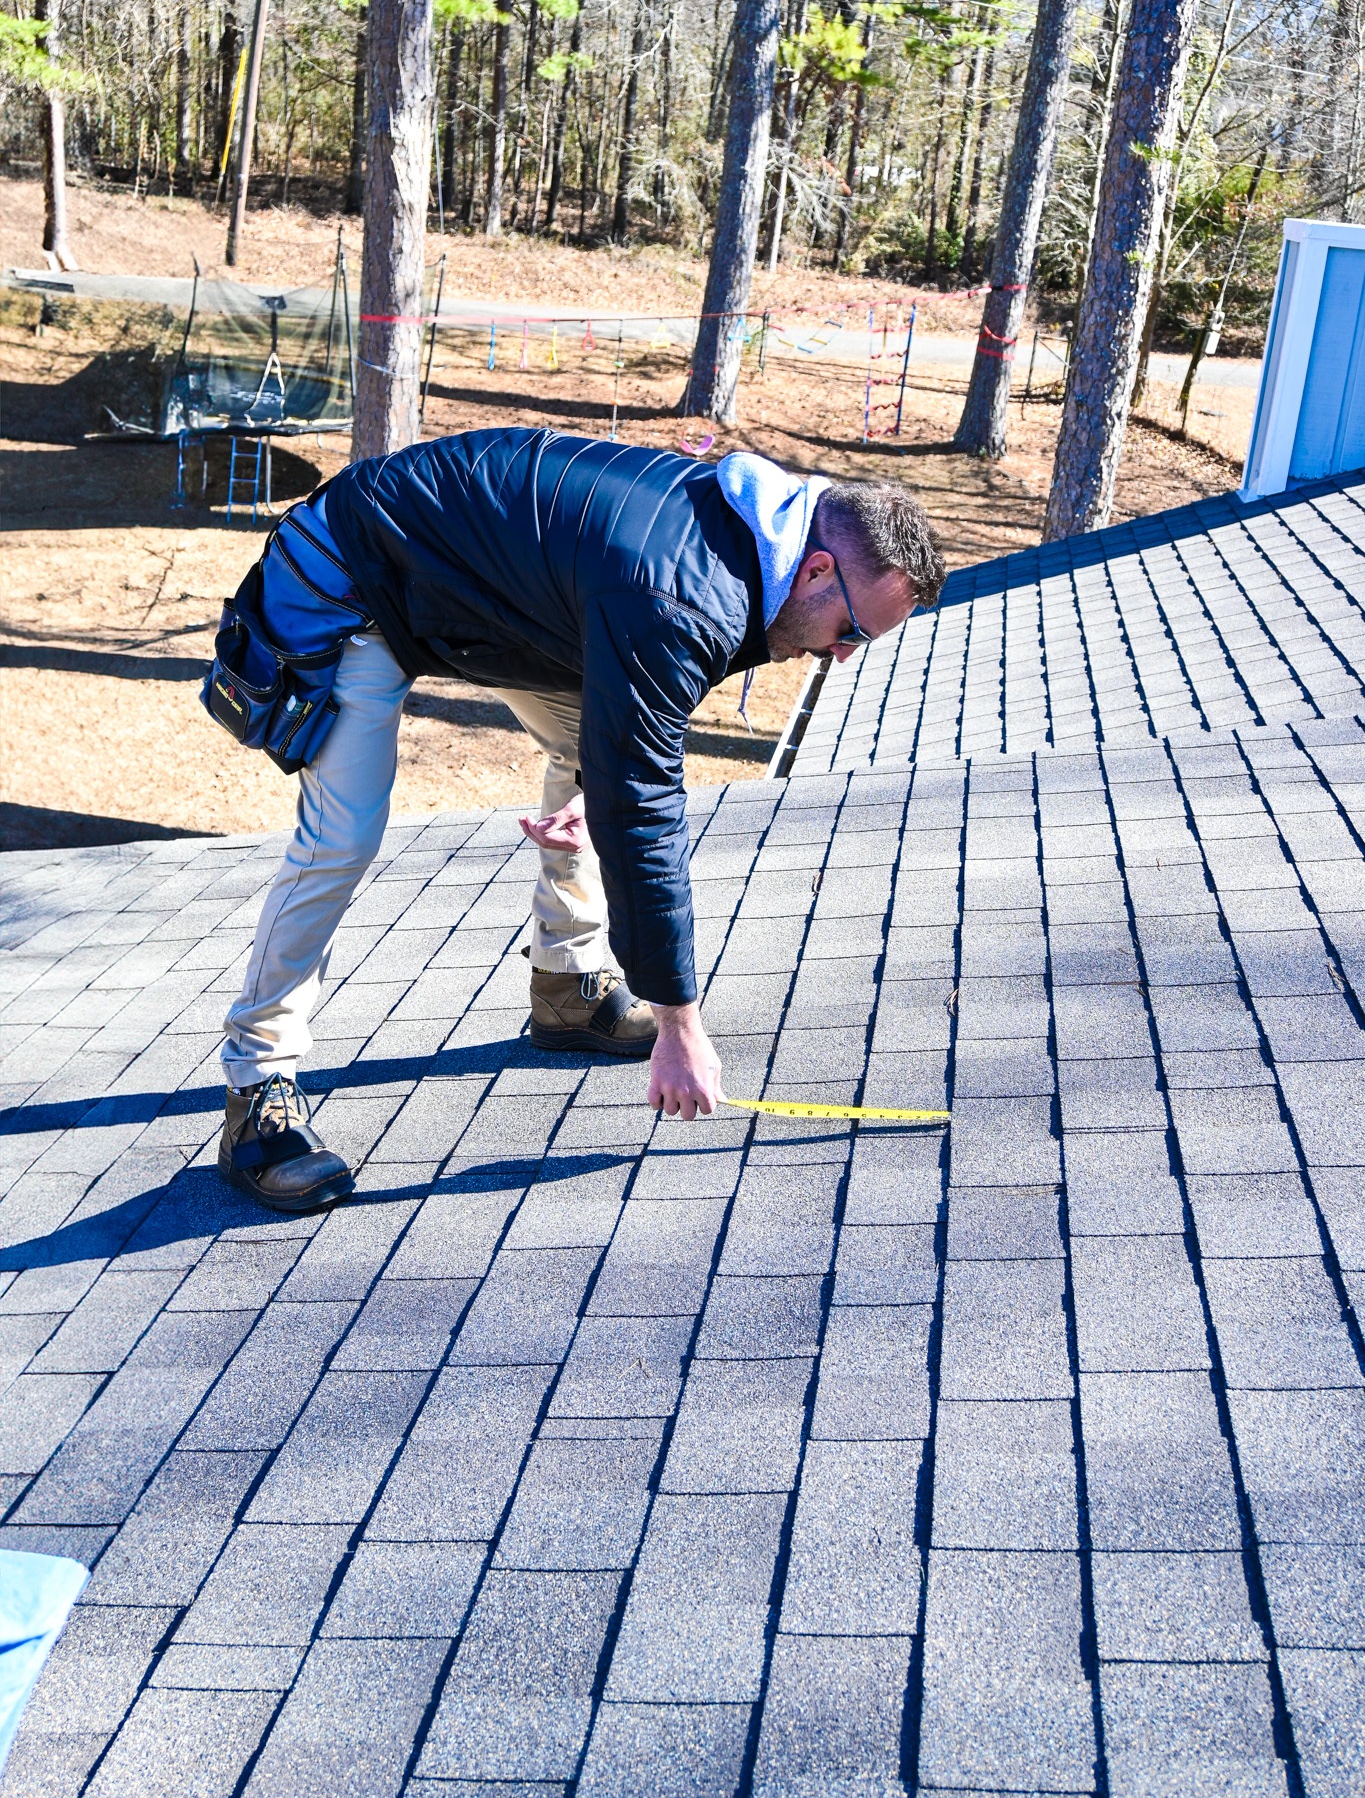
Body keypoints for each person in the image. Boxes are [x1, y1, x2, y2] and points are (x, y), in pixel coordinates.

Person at [212, 428, 945, 1212]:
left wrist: (603, 789)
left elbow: (628, 745)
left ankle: (567, 987)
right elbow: (644, 813)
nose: (841, 656)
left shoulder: (752, 546)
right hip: (356, 572)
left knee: (585, 748)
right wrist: (678, 1026)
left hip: (481, 593)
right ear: (817, 567)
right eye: (852, 633)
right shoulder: (680, 593)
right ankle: (259, 1088)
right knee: (343, 835)